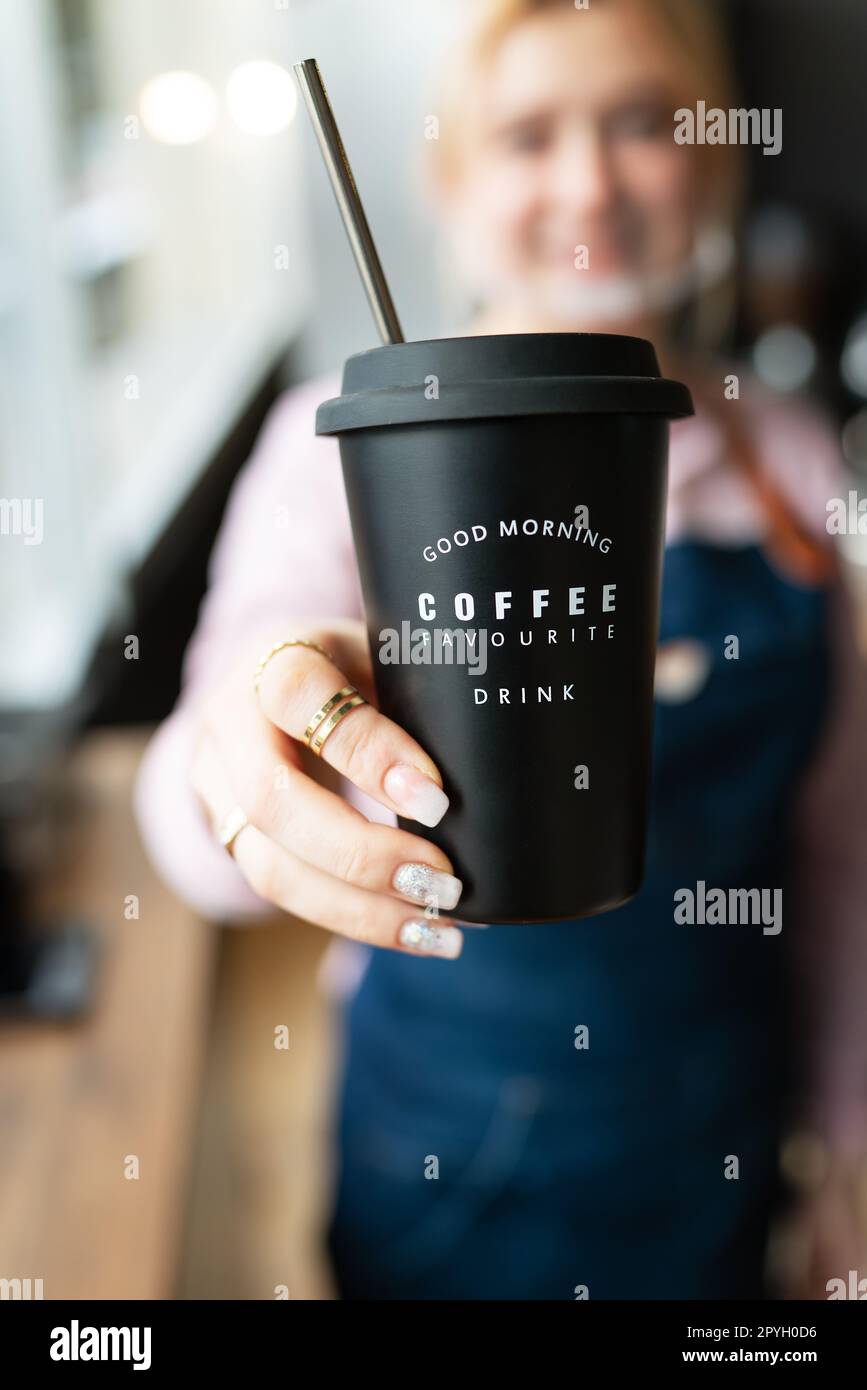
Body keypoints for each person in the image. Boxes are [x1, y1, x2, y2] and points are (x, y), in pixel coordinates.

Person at [135, 0, 867, 1299]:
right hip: (443, 1144)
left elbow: (843, 848)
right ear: (455, 178)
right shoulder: (342, 453)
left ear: (709, 156)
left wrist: (854, 1143)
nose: (590, 179)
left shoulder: (794, 459)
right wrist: (246, 756)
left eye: (641, 122)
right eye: (529, 134)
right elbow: (193, 829)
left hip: (717, 1133)